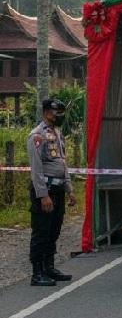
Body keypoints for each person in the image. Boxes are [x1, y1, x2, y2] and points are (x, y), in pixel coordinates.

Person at [27, 99, 75, 286]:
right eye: (58, 112)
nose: (60, 116)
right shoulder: (37, 136)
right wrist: (43, 195)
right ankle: (37, 272)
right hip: (45, 190)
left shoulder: (56, 133)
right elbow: (36, 169)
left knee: (54, 230)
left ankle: (49, 267)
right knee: (41, 231)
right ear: (47, 112)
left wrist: (69, 189)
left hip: (58, 188)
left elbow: (62, 163)